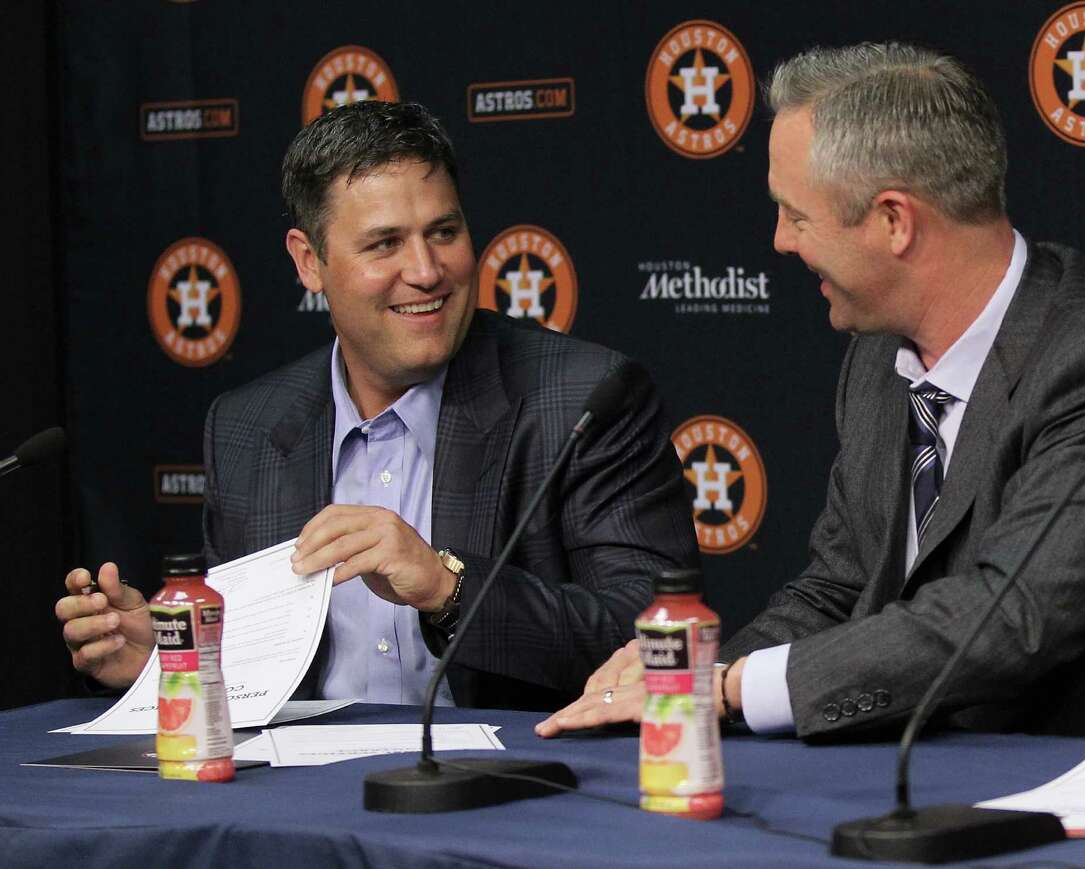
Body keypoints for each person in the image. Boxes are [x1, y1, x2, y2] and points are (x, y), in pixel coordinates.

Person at [538, 42, 1085, 740]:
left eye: (796, 215)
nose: (778, 242)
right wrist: (682, 682)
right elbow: (838, 588)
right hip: (898, 785)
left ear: (894, 220)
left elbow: (1005, 618)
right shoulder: (876, 355)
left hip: (1060, 802)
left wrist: (727, 688)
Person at [55, 100, 698, 711]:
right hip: (300, 804)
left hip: (514, 799)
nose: (425, 270)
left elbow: (654, 642)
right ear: (310, 262)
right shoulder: (246, 427)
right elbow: (256, 670)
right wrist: (170, 661)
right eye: (384, 243)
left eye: (443, 232)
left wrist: (446, 587)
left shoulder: (584, 398)